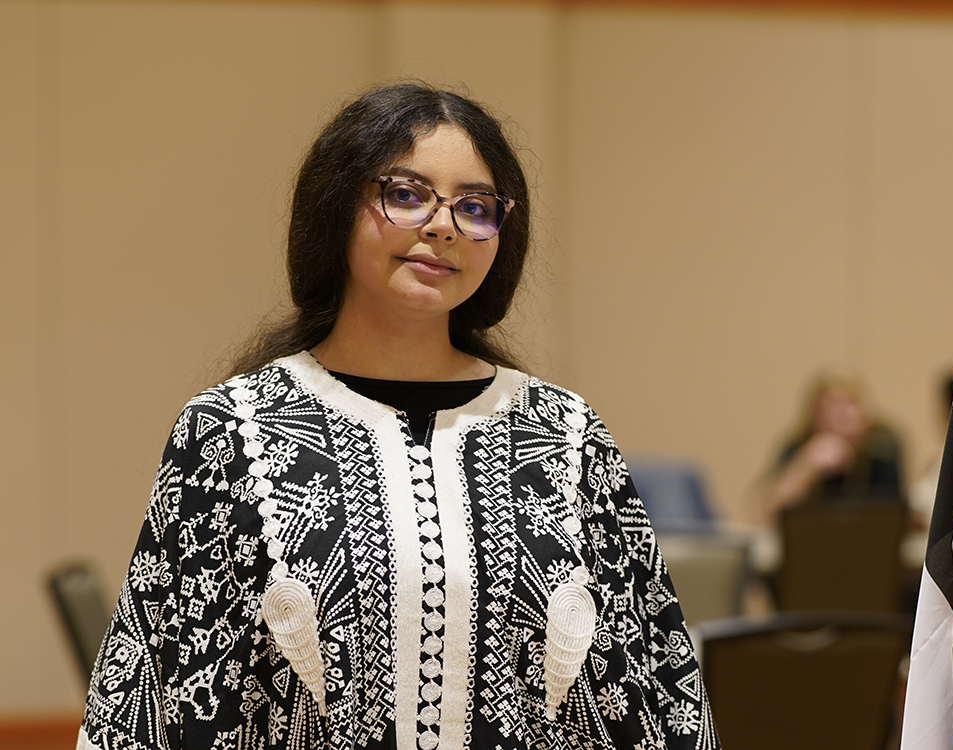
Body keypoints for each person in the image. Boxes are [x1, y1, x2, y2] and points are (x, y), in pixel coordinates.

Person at [78, 83, 718, 750]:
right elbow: (158, 696)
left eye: (474, 207)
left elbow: (656, 692)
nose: (442, 226)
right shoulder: (232, 430)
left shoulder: (562, 431)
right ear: (336, 208)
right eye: (406, 195)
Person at [757, 372, 903, 521]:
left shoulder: (881, 449)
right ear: (815, 416)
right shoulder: (800, 446)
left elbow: (895, 517)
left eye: (851, 403)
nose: (843, 414)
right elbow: (761, 515)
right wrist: (805, 467)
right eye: (833, 404)